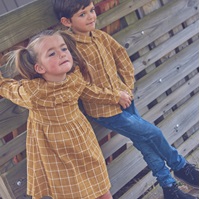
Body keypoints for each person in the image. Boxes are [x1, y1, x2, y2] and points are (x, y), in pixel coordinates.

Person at [52, 1, 199, 199]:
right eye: (82, 14)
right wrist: (115, 96)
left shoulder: (100, 36)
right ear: (66, 21)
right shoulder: (69, 49)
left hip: (125, 101)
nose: (91, 16)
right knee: (152, 133)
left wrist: (126, 88)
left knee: (144, 142)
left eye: (92, 10)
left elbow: (121, 56)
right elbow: (80, 87)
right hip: (105, 111)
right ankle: (180, 166)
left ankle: (169, 187)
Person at [0, 29, 131, 199]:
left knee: (100, 187)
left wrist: (116, 96)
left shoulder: (74, 79)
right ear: (39, 67)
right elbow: (6, 88)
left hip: (83, 142)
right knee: (72, 193)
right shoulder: (33, 93)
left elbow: (91, 92)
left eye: (63, 49)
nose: (62, 54)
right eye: (52, 53)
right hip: (55, 151)